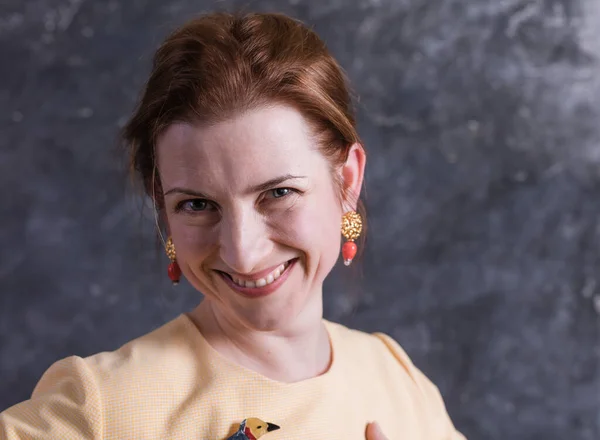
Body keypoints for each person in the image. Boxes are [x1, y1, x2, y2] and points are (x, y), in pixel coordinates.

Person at [0, 11, 466, 440]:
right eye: (198, 204)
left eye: (278, 193)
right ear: (163, 209)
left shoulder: (398, 382)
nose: (242, 251)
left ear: (346, 183)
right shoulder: (98, 407)